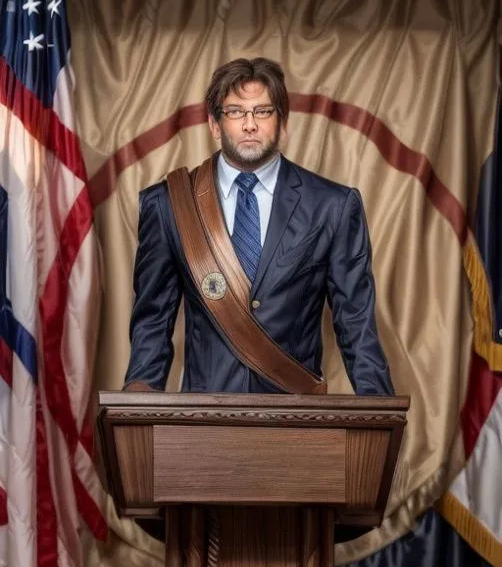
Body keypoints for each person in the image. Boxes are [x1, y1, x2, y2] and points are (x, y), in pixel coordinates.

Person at [124, 57, 394, 398]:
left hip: (297, 419)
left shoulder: (332, 206)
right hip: (202, 423)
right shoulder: (169, 205)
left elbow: (356, 322)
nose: (249, 124)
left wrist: (378, 412)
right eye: (235, 112)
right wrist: (139, 398)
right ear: (215, 124)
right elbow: (153, 320)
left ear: (282, 123)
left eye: (263, 112)